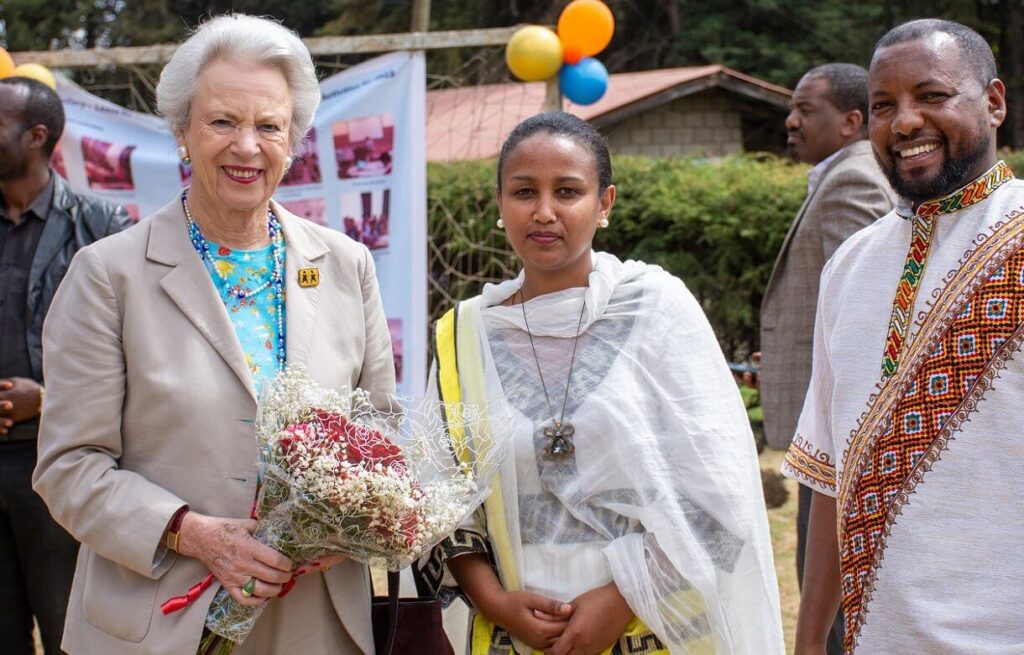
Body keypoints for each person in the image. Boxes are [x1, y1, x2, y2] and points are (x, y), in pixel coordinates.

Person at [32, 15, 395, 654]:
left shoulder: (345, 265)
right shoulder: (107, 274)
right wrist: (193, 533)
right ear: (182, 132)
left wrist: (356, 518)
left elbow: (382, 433)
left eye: (268, 126)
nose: (246, 147)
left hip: (315, 617)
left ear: (295, 139)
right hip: (159, 617)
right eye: (222, 122)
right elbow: (69, 468)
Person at [415, 112, 784, 654]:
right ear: (499, 203)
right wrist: (496, 603)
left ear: (604, 202)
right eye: (524, 192)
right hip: (511, 635)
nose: (544, 212)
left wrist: (622, 599)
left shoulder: (656, 311)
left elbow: (719, 492)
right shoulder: (466, 334)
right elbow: (438, 500)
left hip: (650, 627)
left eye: (567, 191)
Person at [784, 19, 1024, 653]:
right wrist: (809, 644)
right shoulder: (850, 266)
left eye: (932, 96)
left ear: (994, 103)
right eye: (885, 106)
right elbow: (833, 473)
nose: (906, 122)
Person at [758, 63, 895, 653]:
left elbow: (869, 307)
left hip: (840, 433)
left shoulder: (854, 180)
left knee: (833, 593)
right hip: (830, 426)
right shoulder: (836, 174)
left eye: (805, 109)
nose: (790, 120)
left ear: (851, 121)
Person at [0, 76, 129, 654]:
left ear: (36, 136)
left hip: (64, 468)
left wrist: (47, 398)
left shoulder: (102, 230)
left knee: (70, 632)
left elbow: (140, 357)